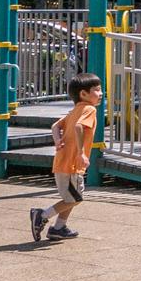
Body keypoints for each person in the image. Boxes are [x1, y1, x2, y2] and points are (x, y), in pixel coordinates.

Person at [31, 73, 101, 242]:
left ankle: (58, 228)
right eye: (97, 90)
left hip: (64, 162)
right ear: (83, 94)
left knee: (70, 197)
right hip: (72, 163)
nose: (101, 93)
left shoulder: (76, 110)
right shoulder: (89, 109)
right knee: (76, 198)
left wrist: (57, 141)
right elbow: (78, 127)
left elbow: (55, 125)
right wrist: (81, 152)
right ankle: (42, 214)